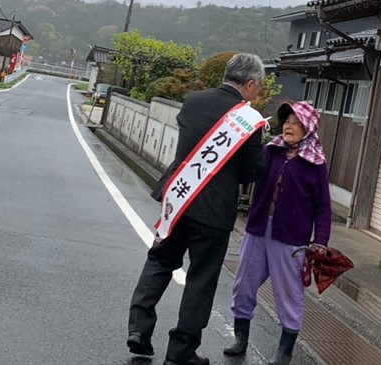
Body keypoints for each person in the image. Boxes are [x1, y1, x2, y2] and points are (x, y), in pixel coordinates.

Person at [126, 53, 266, 365]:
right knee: (200, 279)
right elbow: (251, 172)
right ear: (251, 83)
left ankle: (139, 329)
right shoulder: (248, 120)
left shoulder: (193, 100)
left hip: (178, 198)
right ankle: (180, 352)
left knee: (159, 261)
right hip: (214, 213)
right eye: (259, 88)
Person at [223, 101, 332, 365]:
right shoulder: (270, 151)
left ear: (307, 129)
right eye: (286, 121)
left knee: (289, 294)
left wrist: (320, 241)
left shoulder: (315, 165)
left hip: (291, 239)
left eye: (295, 123)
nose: (288, 126)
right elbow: (250, 171)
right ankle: (240, 338)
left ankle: (284, 352)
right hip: (258, 230)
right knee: (244, 284)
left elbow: (323, 208)